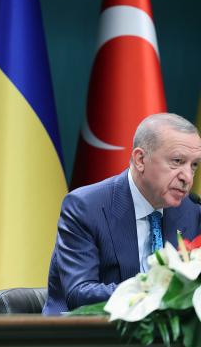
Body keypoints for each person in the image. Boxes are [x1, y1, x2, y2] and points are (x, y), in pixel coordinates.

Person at [43, 113, 201, 315]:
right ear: (140, 159)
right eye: (177, 161)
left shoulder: (191, 210)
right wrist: (157, 291)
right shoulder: (86, 207)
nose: (187, 177)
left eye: (194, 165)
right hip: (85, 337)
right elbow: (79, 295)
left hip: (161, 342)